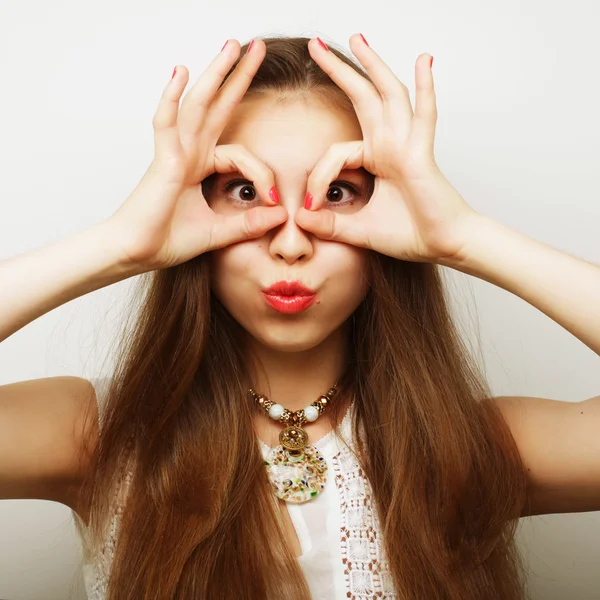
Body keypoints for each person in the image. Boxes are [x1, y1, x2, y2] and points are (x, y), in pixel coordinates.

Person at [0, 33, 598, 600]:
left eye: (338, 192)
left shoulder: (465, 446)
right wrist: (120, 244)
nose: (290, 244)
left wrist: (465, 237)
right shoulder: (100, 436)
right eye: (242, 191)